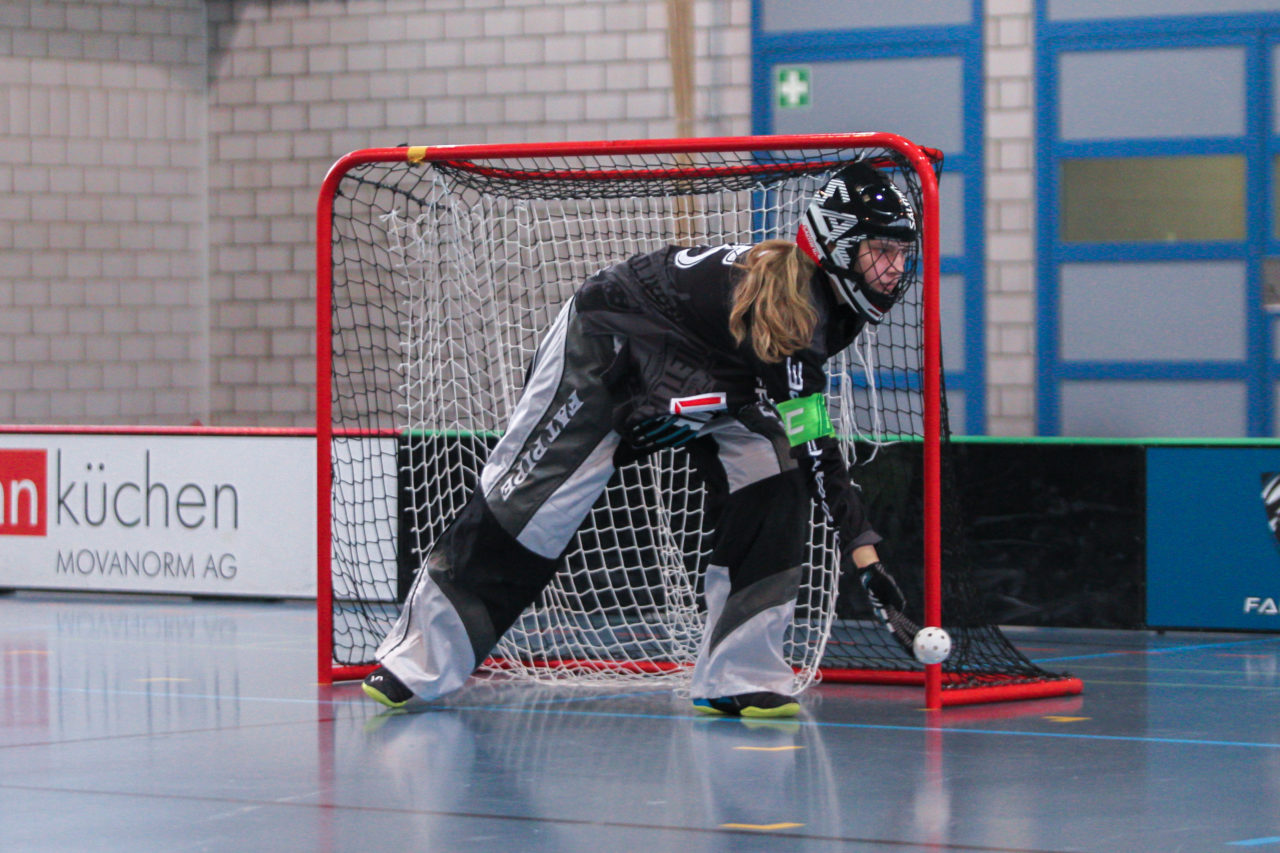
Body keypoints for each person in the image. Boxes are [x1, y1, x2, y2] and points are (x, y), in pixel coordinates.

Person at [362, 161, 920, 719]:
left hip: (705, 374)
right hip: (608, 340)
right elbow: (819, 448)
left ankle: (738, 673)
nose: (894, 269)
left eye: (901, 254)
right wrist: (868, 563)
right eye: (880, 251)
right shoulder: (795, 310)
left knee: (770, 468)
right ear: (835, 246)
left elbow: (805, 443)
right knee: (533, 504)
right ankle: (416, 662)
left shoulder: (829, 303)